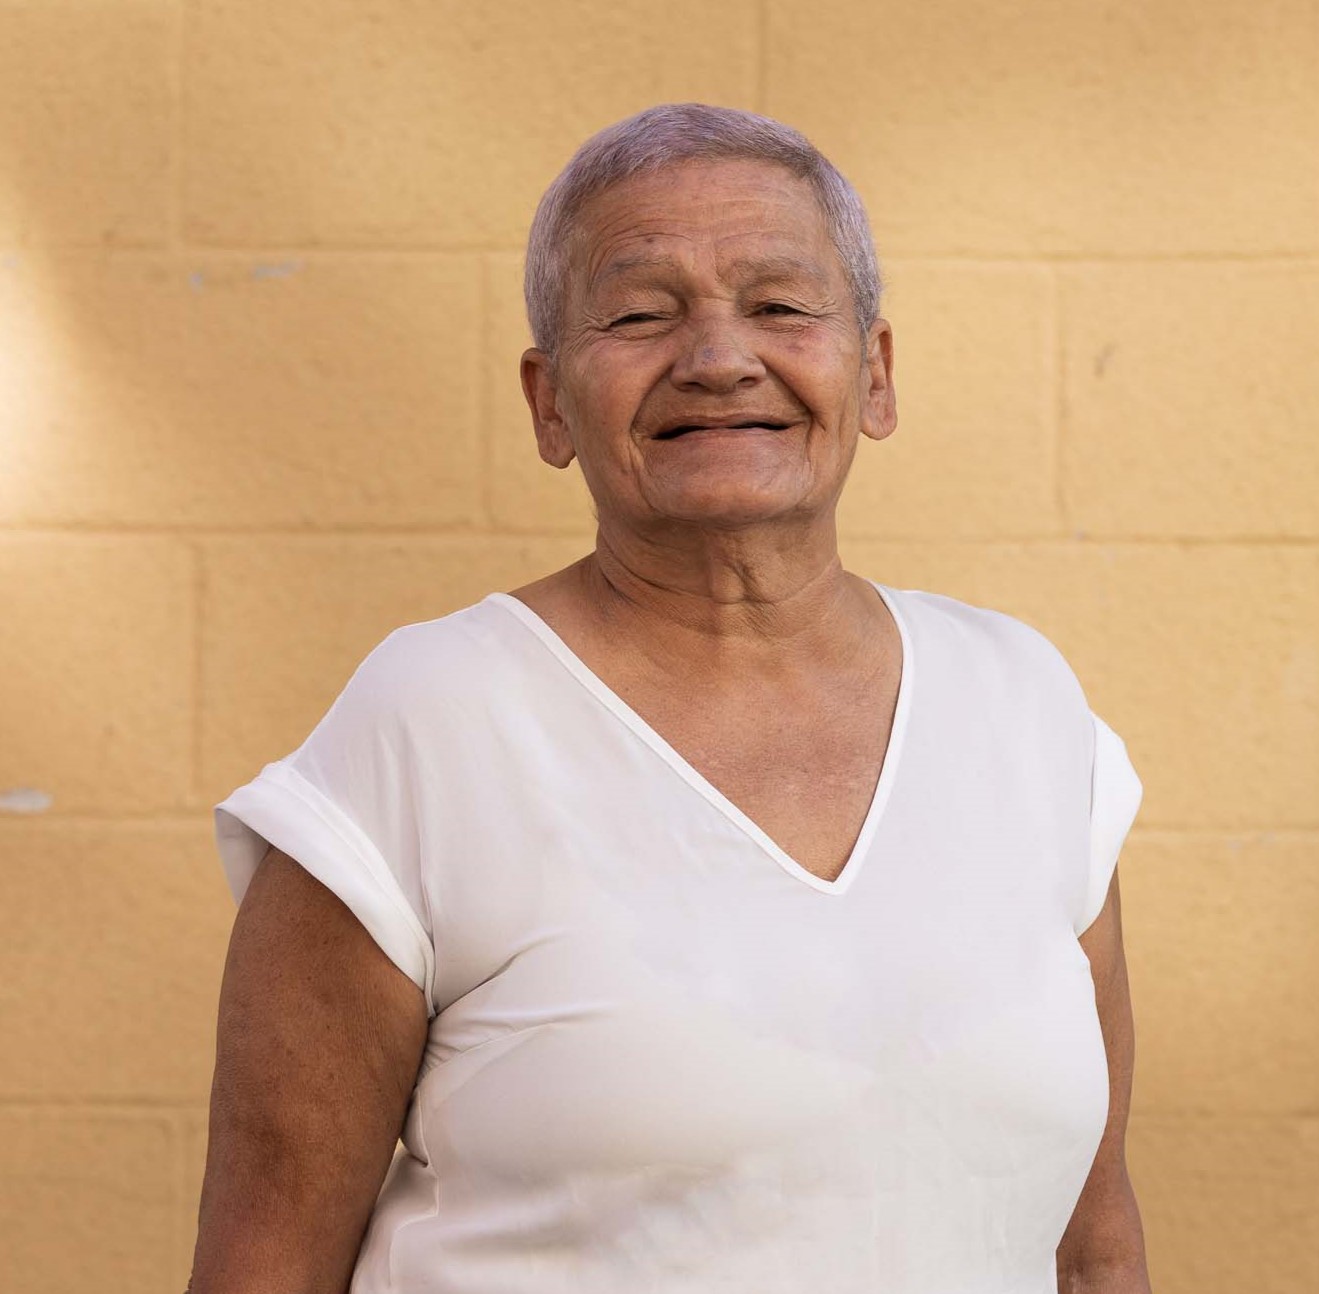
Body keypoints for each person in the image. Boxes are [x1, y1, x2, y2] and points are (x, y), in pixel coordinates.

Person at [189, 102, 1149, 1294]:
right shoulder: (428, 725)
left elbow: (1091, 1244)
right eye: (641, 314)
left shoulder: (1028, 710)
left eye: (782, 305)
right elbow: (265, 1261)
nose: (718, 357)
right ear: (550, 403)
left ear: (877, 374)